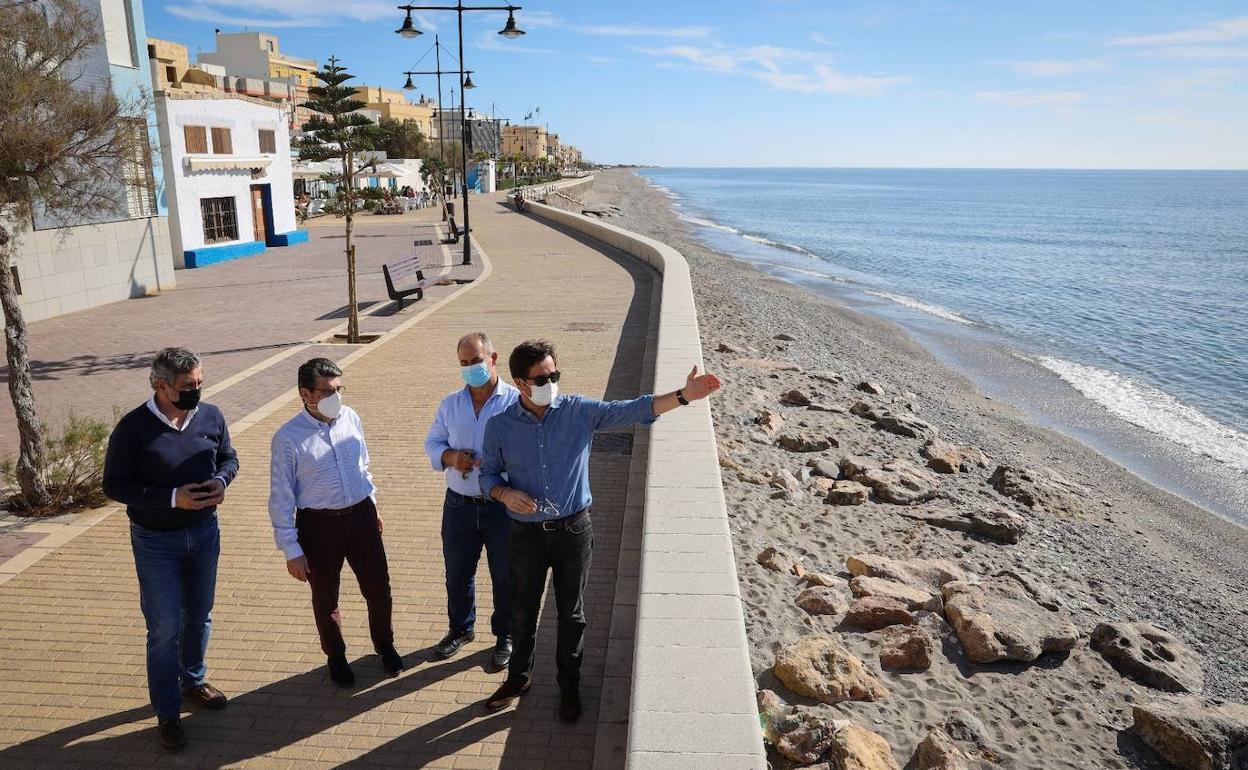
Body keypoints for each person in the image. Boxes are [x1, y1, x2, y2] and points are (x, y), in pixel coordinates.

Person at [479, 340, 721, 722]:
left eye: (555, 374)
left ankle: (569, 689)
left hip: (573, 531)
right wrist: (504, 493)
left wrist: (684, 396)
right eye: (543, 378)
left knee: (570, 615)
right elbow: (486, 476)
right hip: (525, 537)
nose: (552, 382)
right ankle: (518, 678)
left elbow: (632, 410)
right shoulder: (500, 427)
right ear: (520, 383)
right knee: (522, 613)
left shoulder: (577, 411)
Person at [103, 347, 239, 752]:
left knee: (200, 615)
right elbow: (114, 485)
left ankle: (194, 681)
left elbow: (229, 457)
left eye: (199, 383)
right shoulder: (132, 428)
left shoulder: (211, 416)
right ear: (160, 385)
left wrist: (222, 480)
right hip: (155, 541)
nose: (195, 391)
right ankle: (166, 712)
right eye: (186, 387)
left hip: (204, 533)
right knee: (164, 628)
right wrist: (170, 497)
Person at [268, 358, 403, 687]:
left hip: (361, 518)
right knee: (325, 598)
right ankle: (336, 655)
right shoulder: (287, 438)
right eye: (328, 391)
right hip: (318, 526)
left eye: (339, 389)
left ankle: (384, 645)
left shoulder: (351, 418)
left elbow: (364, 466)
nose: (336, 397)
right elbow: (281, 496)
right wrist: (291, 549)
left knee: (379, 589)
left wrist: (373, 504)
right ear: (306, 394)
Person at [424, 333, 519, 670]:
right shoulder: (451, 403)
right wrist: (450, 457)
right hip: (459, 505)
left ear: (493, 358)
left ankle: (505, 635)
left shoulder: (515, 401)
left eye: (476, 361)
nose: (470, 368)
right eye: (464, 363)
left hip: (501, 509)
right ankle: (461, 629)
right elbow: (432, 442)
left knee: (505, 575)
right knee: (458, 573)